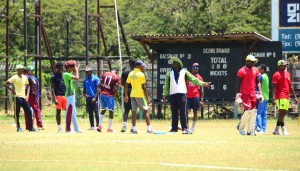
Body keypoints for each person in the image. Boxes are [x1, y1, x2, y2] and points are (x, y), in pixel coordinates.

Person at [162, 57, 210, 134]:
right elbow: (166, 85)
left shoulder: (184, 72)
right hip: (172, 94)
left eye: (174, 62)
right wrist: (164, 94)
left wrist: (203, 83)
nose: (173, 64)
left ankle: (184, 128)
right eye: (172, 63)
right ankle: (174, 128)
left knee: (183, 112)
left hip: (181, 94)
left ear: (178, 64)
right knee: (174, 112)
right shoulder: (169, 73)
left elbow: (194, 79)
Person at [3, 64, 36, 132]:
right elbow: (5, 84)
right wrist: (13, 90)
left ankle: (30, 127)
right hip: (17, 97)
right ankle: (18, 127)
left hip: (23, 97)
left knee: (29, 111)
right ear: (18, 70)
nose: (22, 70)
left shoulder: (25, 77)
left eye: (23, 69)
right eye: (21, 69)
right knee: (17, 113)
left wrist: (27, 95)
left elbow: (28, 85)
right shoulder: (14, 77)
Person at [236, 55, 262, 136]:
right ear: (247, 61)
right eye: (252, 61)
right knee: (247, 110)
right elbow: (238, 84)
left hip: (253, 94)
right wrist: (238, 95)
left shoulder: (255, 70)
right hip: (245, 93)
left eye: (254, 61)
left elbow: (258, 82)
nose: (254, 63)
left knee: (254, 111)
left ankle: (250, 131)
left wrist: (260, 92)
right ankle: (240, 127)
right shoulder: (241, 71)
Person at [124, 60, 153, 134]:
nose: (142, 67)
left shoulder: (130, 74)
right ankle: (149, 129)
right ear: (137, 66)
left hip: (132, 94)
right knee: (146, 110)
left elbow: (126, 85)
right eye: (141, 65)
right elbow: (144, 87)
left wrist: (126, 95)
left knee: (134, 111)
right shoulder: (141, 74)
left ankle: (133, 129)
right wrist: (147, 98)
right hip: (139, 94)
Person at [272, 60, 298, 136]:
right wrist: (273, 97)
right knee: (281, 112)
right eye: (283, 65)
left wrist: (295, 96)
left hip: (286, 96)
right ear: (279, 66)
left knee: (284, 112)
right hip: (280, 95)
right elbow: (274, 87)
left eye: (286, 65)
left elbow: (290, 86)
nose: (285, 66)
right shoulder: (276, 74)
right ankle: (283, 129)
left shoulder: (287, 74)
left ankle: (276, 129)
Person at [97, 67, 120, 133]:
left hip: (102, 94)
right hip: (109, 95)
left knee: (103, 109)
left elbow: (99, 84)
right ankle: (109, 128)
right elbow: (115, 88)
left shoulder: (105, 74)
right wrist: (114, 92)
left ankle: (99, 125)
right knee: (111, 111)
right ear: (116, 72)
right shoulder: (116, 77)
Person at [63, 60, 82, 133]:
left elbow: (73, 74)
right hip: (69, 95)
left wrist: (74, 69)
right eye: (74, 66)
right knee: (69, 111)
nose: (75, 67)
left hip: (71, 94)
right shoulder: (66, 74)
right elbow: (77, 78)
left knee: (73, 112)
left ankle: (76, 128)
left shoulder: (68, 73)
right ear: (70, 67)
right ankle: (68, 129)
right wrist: (77, 70)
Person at [24, 65, 45, 130]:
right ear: (29, 71)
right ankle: (39, 125)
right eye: (31, 71)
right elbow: (35, 84)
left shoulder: (23, 77)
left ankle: (28, 126)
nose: (32, 72)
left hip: (25, 96)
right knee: (36, 110)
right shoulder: (31, 77)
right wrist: (35, 92)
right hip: (32, 96)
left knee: (27, 111)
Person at [186, 63, 204, 133]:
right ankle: (186, 127)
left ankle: (192, 128)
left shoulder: (199, 77)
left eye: (197, 67)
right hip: (187, 97)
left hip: (195, 97)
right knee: (186, 112)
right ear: (192, 67)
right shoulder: (188, 76)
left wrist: (202, 100)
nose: (196, 68)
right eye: (194, 67)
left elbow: (202, 90)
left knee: (195, 112)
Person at [120, 59, 136, 132]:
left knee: (126, 110)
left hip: (127, 92)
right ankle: (133, 127)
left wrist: (126, 87)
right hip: (135, 92)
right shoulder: (136, 72)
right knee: (134, 110)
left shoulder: (125, 71)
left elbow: (121, 82)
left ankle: (124, 126)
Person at [83, 66, 100, 130]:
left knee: (96, 111)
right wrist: (85, 95)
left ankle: (98, 125)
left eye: (87, 72)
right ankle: (92, 126)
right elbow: (84, 90)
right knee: (90, 112)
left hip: (94, 97)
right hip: (88, 98)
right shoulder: (85, 80)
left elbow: (98, 89)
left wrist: (95, 98)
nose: (86, 73)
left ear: (91, 72)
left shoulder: (96, 79)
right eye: (86, 72)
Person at [51, 62, 67, 132]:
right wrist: (54, 99)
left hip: (65, 95)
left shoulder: (64, 75)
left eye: (62, 68)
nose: (61, 69)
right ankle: (59, 127)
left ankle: (68, 126)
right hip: (58, 96)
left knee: (68, 111)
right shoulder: (54, 77)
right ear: (57, 68)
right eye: (60, 68)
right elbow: (52, 88)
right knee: (58, 112)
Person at [256, 64, 269, 134]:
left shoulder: (261, 76)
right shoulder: (266, 76)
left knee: (258, 114)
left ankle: (259, 129)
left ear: (263, 70)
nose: (258, 69)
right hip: (266, 97)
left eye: (259, 68)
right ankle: (264, 130)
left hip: (262, 97)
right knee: (264, 114)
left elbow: (258, 84)